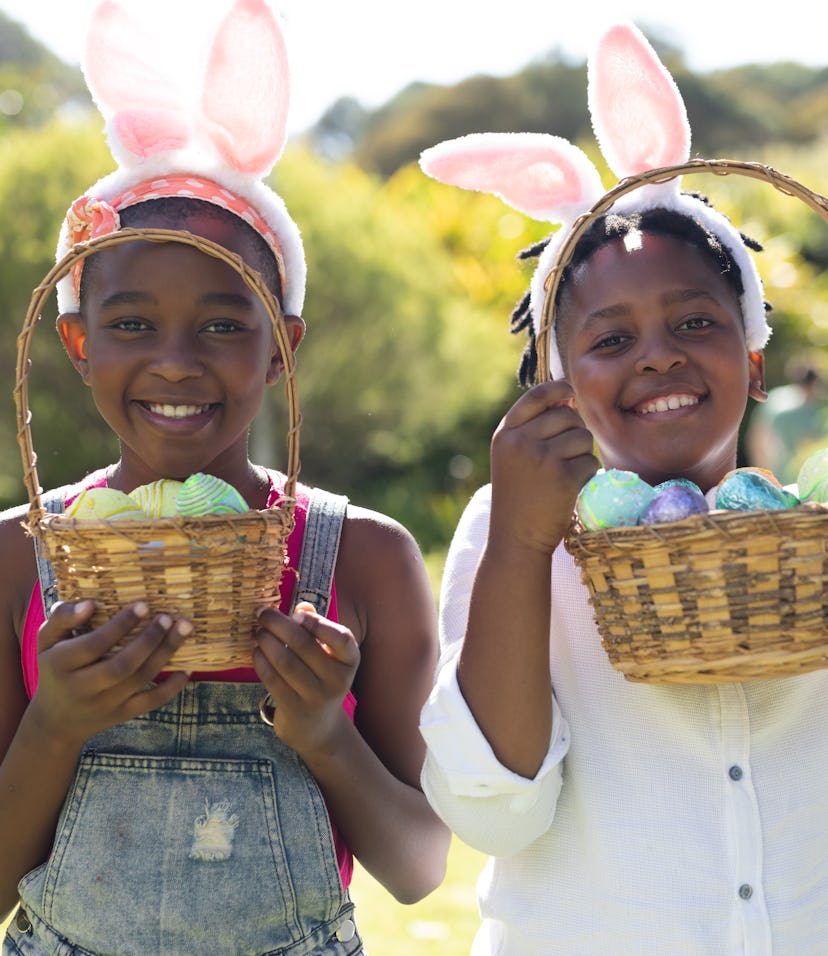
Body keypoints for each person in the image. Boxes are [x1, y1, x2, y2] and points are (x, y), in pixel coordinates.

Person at [0, 2, 449, 953]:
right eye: (129, 324)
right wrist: (55, 725)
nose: (175, 361)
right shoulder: (19, 557)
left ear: (282, 346)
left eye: (222, 322)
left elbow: (419, 869)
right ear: (75, 341)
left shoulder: (361, 559)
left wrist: (326, 732)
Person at [417, 21, 828, 955]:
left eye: (694, 320)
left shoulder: (807, 537)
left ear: (754, 359)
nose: (659, 356)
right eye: (609, 340)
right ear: (559, 379)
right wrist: (524, 541)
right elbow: (497, 815)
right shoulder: (516, 531)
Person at [745, 353, 828, 484]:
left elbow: (758, 443)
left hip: (788, 477)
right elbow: (759, 441)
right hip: (791, 477)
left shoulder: (775, 400)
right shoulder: (780, 406)